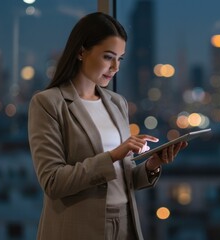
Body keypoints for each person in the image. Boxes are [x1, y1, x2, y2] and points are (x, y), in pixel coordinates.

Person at [27, 12, 187, 240]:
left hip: (125, 223)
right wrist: (113, 155)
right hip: (78, 229)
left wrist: (152, 164)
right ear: (81, 52)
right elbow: (53, 182)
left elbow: (123, 178)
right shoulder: (48, 103)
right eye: (108, 57)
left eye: (120, 59)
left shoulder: (117, 103)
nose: (115, 67)